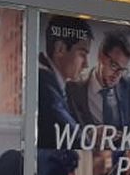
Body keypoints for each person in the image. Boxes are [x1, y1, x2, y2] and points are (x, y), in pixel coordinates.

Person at [65, 30, 130, 149]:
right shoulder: (73, 88)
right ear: (100, 56)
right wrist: (89, 136)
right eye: (114, 66)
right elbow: (64, 133)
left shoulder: (129, 86)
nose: (117, 75)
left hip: (122, 158)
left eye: (122, 70)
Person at [37, 16, 92, 148]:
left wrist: (90, 134)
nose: (86, 64)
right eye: (82, 54)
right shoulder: (45, 87)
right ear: (60, 49)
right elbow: (76, 140)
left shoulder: (58, 85)